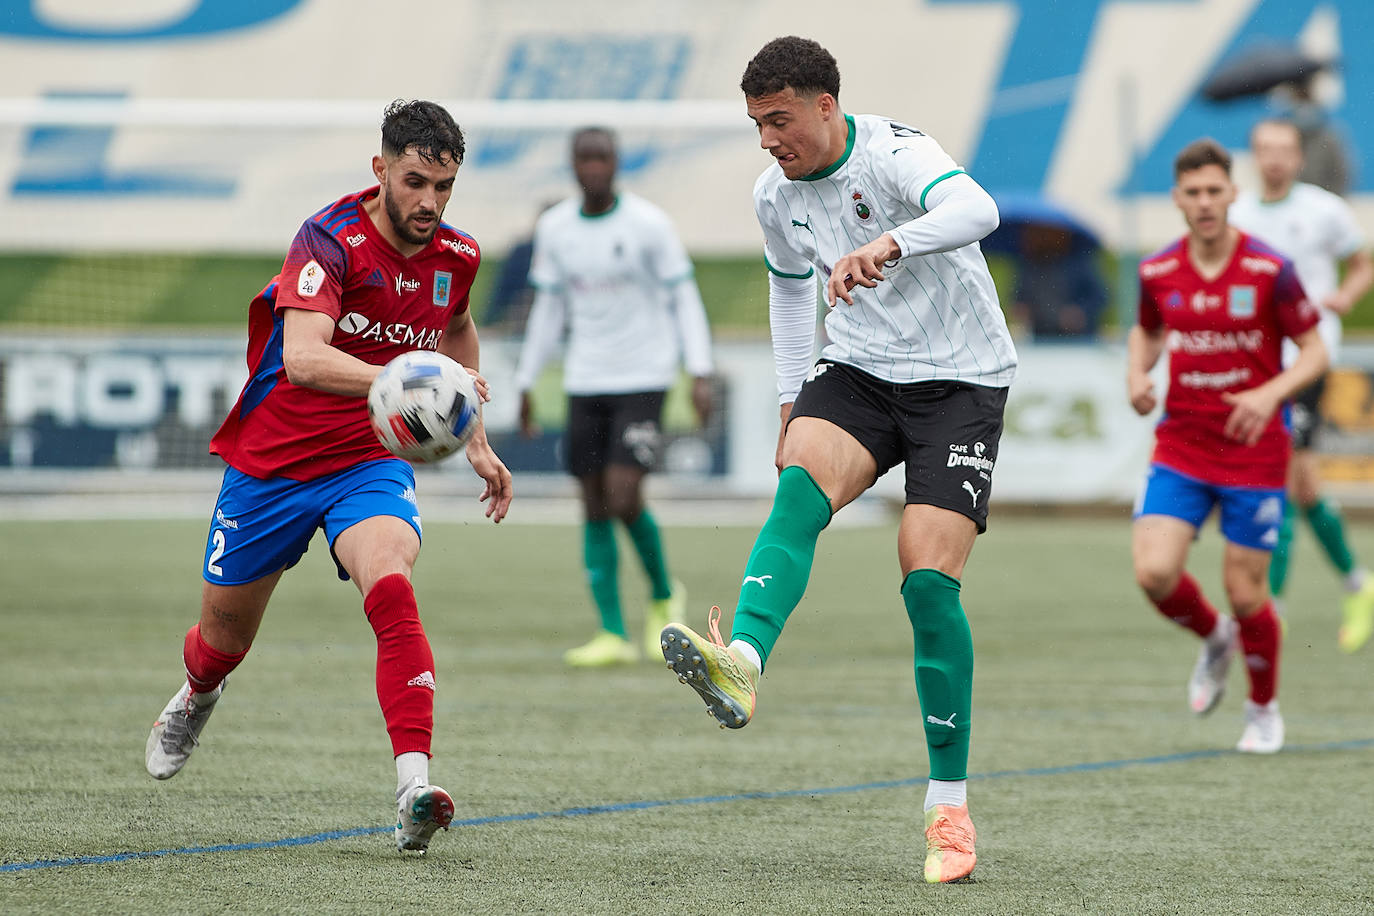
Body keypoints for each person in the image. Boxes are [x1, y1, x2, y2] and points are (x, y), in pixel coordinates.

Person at [657, 37, 1016, 884]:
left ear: (826, 106)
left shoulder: (896, 154)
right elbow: (788, 289)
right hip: (858, 369)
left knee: (926, 580)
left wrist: (887, 245)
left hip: (962, 380)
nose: (768, 140)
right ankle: (741, 664)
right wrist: (790, 400)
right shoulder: (773, 194)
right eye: (755, 124)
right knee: (798, 485)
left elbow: (979, 211)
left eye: (778, 120)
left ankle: (948, 806)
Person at [143, 100, 513, 856]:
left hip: (368, 460)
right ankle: (199, 692)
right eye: (415, 182)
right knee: (222, 639)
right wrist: (405, 383)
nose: (429, 204)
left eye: (444, 188)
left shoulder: (456, 254)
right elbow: (305, 356)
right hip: (273, 464)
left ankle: (414, 788)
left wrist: (470, 430)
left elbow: (458, 329)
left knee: (392, 584)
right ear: (380, 170)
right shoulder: (328, 239)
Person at [1128, 138, 1326, 756]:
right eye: (1194, 192)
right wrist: (1138, 373)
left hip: (1254, 449)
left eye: (1216, 190)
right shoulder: (1159, 270)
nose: (1206, 201)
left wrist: (1270, 394)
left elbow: (1317, 351)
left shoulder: (1269, 269)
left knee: (1247, 593)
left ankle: (1263, 709)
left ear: (1233, 194)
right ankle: (1216, 638)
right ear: (1178, 199)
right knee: (1155, 572)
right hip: (1183, 443)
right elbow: (1148, 328)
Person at [514, 126, 713, 668]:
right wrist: (527, 380)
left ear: (617, 163)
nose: (593, 167)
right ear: (573, 165)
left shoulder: (649, 225)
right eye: (584, 158)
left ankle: (663, 596)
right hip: (585, 379)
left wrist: (699, 370)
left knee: (625, 496)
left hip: (644, 376)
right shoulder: (555, 229)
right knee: (593, 502)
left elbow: (684, 297)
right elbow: (549, 309)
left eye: (602, 157)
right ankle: (611, 632)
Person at [1229, 118, 1374, 652]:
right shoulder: (1237, 214)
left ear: (1298, 156)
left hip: (1307, 359)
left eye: (1284, 150)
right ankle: (1359, 585)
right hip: (1255, 363)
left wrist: (1345, 297)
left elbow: (1361, 266)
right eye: (1265, 149)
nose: (1275, 159)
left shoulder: (1323, 210)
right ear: (1255, 154)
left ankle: (1274, 610)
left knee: (1284, 483)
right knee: (1303, 487)